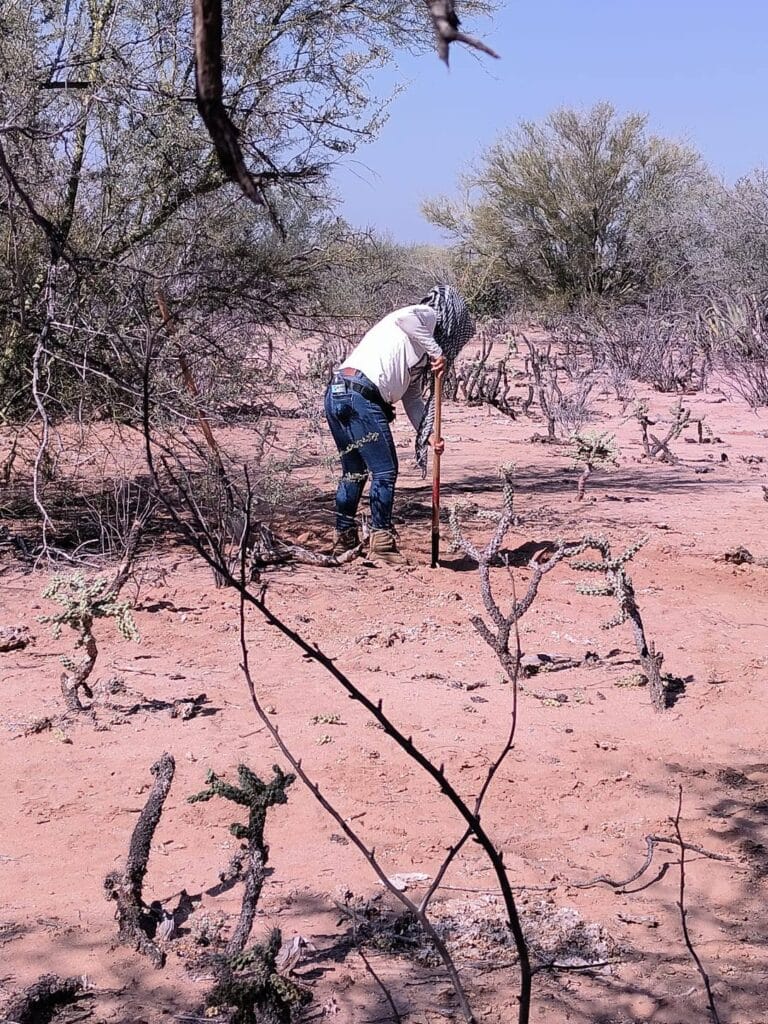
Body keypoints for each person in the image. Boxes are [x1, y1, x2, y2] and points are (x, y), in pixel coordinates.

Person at [324, 303, 447, 564]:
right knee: (385, 471)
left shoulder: (417, 356)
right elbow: (404, 317)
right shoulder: (426, 314)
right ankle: (381, 544)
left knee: (354, 472)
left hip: (338, 394)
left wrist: (430, 436)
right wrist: (436, 351)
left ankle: (344, 538)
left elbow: (412, 401)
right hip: (360, 395)